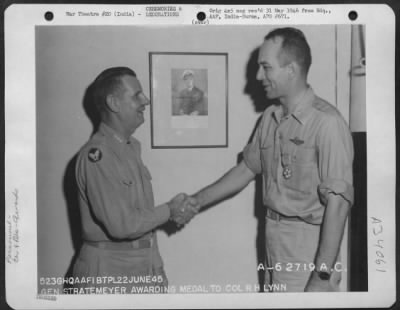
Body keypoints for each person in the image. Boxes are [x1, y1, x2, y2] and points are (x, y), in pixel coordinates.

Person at [188, 28, 354, 292]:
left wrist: (321, 276)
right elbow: (245, 170)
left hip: (308, 247)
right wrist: (195, 201)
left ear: (291, 70)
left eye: (266, 67)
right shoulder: (269, 118)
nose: (258, 77)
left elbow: (338, 207)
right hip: (273, 240)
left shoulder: (327, 123)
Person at [72, 67, 198, 294]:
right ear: (114, 103)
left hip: (140, 265)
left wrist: (157, 269)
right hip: (107, 270)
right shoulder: (98, 156)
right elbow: (123, 225)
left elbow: (143, 217)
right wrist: (170, 210)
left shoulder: (130, 149)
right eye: (136, 95)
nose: (146, 101)